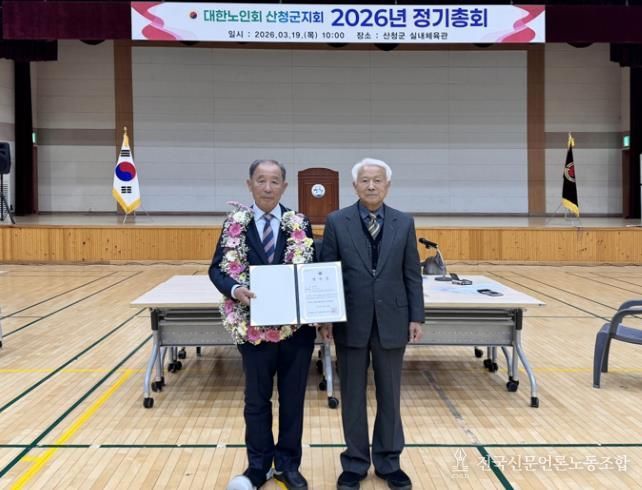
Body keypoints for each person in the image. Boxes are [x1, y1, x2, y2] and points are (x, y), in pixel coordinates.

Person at [209, 159, 316, 490]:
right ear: (249, 184)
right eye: (261, 180)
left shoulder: (299, 223)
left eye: (274, 181)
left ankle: (287, 465)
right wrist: (234, 289)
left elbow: (312, 269)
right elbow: (216, 269)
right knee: (256, 402)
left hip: (296, 332)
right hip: (253, 331)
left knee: (293, 400)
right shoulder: (233, 225)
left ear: (284, 186)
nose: (267, 188)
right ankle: (258, 466)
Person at [320, 158, 424, 490]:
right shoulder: (337, 222)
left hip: (393, 321)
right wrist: (326, 317)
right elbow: (327, 273)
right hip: (350, 322)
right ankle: (354, 462)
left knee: (389, 394)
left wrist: (416, 316)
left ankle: (389, 461)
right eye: (365, 180)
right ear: (355, 186)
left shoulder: (403, 223)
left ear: (387, 185)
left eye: (377, 180)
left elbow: (412, 273)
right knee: (352, 395)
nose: (371, 185)